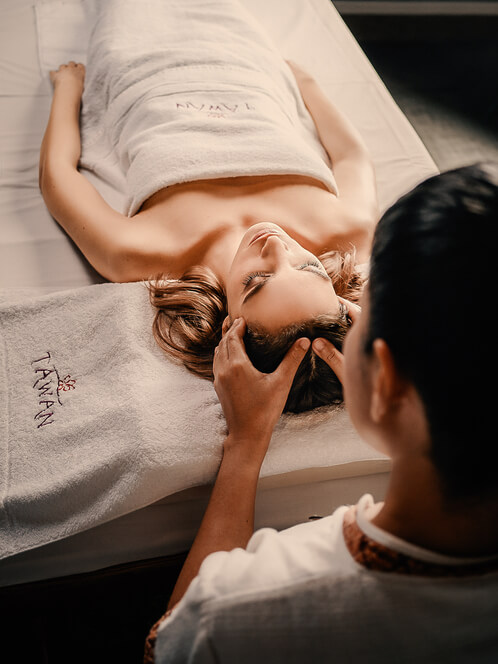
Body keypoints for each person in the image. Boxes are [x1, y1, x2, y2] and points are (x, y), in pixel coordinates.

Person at [144, 163, 498, 663]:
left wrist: (245, 447)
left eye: (364, 315)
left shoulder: (243, 609)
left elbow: (168, 644)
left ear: (385, 380)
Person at [38, 0, 378, 414]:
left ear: (230, 329)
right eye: (308, 267)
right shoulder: (350, 228)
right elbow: (352, 156)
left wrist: (68, 90)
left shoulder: (139, 252)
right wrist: (305, 84)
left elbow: (58, 177)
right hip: (247, 64)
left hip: (145, 64)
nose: (276, 245)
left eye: (256, 280)